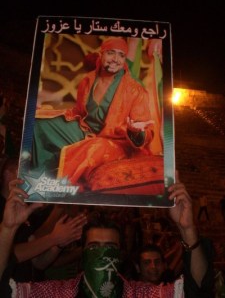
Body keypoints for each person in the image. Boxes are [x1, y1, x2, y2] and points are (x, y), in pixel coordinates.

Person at [1, 174, 214, 297]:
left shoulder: (142, 294)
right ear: (82, 254)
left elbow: (196, 289)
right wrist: (8, 229)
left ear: (120, 254)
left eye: (110, 247)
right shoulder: (55, 293)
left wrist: (187, 229)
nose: (102, 255)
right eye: (94, 247)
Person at [31, 36, 154, 189]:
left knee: (93, 148)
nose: (116, 59)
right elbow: (79, 112)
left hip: (114, 141)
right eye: (111, 53)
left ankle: (53, 187)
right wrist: (48, 113)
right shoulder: (87, 81)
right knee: (39, 123)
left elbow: (147, 132)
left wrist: (136, 132)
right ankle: (37, 176)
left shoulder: (135, 90)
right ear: (101, 54)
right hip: (86, 130)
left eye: (121, 55)